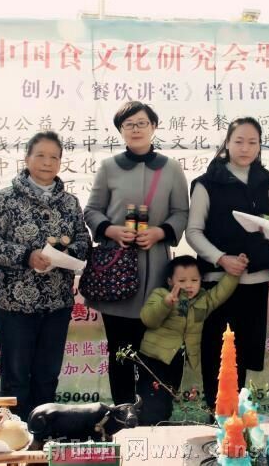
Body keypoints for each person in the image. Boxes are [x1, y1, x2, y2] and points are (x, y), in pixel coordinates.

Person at [84, 101, 189, 406]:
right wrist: (112, 230)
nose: (136, 129)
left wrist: (160, 232)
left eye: (142, 123)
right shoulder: (108, 167)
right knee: (119, 351)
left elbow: (181, 212)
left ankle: (152, 413)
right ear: (121, 130)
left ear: (153, 127)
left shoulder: (171, 168)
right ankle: (122, 412)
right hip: (116, 272)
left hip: (156, 270)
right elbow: (92, 210)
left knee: (154, 350)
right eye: (128, 124)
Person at [0, 131, 90, 419]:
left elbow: (83, 240)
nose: (47, 162)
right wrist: (26, 255)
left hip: (57, 304)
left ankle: (43, 430)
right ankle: (15, 434)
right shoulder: (5, 199)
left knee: (47, 375)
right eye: (40, 155)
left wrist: (65, 255)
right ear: (26, 159)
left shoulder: (69, 202)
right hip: (16, 304)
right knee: (15, 377)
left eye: (54, 157)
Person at [187, 117, 269, 411]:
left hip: (255, 282)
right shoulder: (207, 183)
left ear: (260, 146)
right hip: (218, 283)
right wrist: (221, 259)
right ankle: (216, 414)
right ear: (227, 143)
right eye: (239, 141)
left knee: (243, 353)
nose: (245, 148)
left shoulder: (264, 182)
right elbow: (193, 232)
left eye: (252, 142)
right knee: (217, 351)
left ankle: (236, 417)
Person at [137, 255, 245, 425]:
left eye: (194, 280)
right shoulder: (161, 294)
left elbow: (221, 292)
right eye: (182, 280)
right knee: (152, 401)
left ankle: (161, 424)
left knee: (168, 398)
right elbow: (148, 319)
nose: (189, 285)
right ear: (170, 281)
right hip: (154, 358)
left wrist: (234, 272)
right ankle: (149, 428)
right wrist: (166, 303)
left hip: (177, 359)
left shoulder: (203, 300)